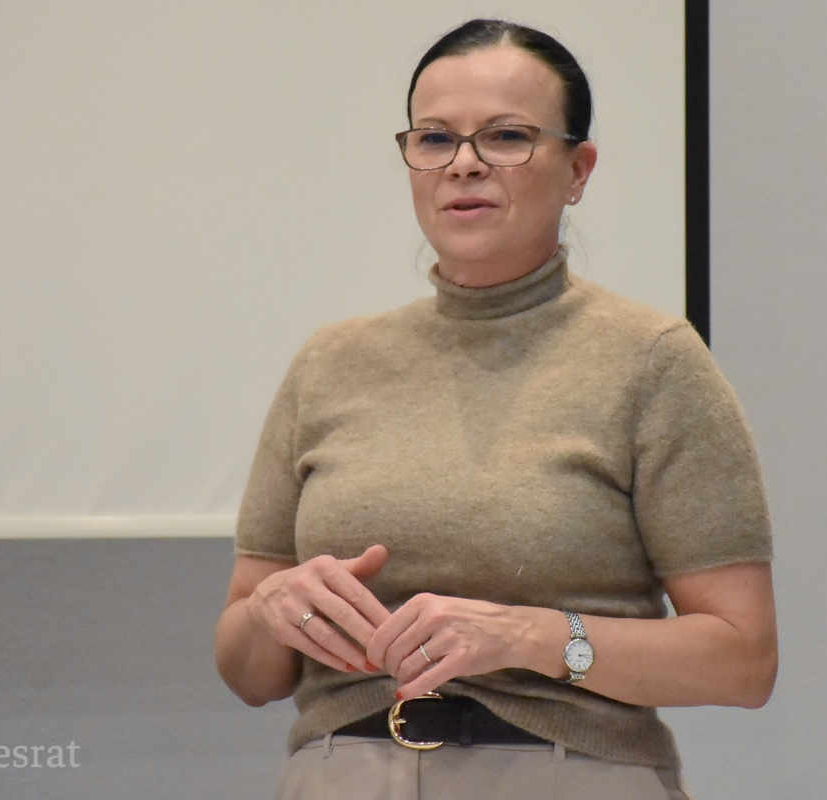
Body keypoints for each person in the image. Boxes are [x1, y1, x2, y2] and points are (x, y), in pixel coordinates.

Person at [214, 19, 777, 800]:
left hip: (565, 775)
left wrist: (535, 637)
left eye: (507, 136)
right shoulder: (329, 363)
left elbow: (744, 662)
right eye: (435, 138)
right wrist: (269, 613)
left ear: (578, 169)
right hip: (339, 774)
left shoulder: (652, 359)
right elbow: (248, 674)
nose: (464, 164)